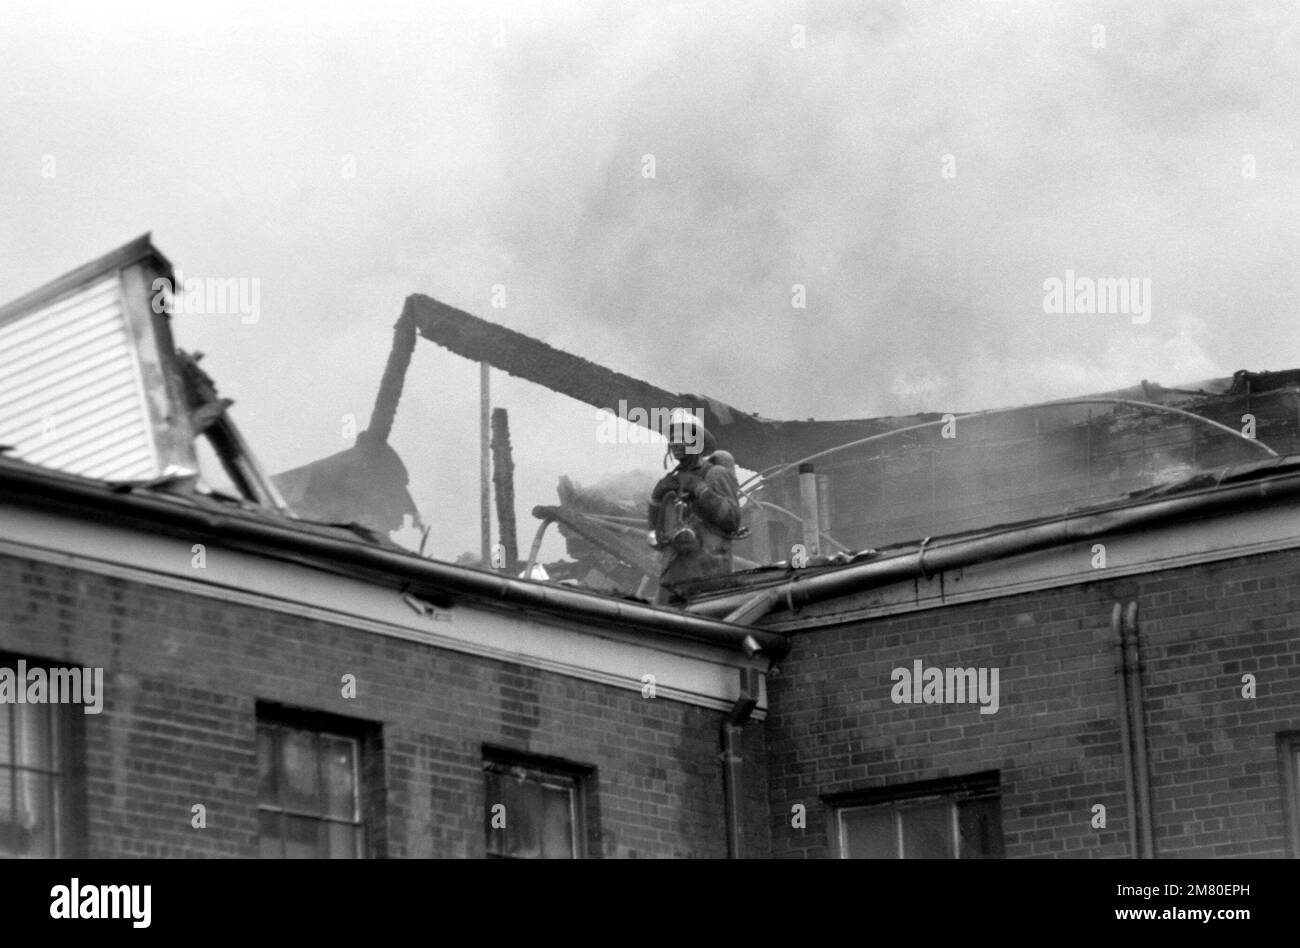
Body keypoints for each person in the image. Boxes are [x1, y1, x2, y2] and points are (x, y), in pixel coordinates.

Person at [647, 412, 741, 605]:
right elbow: (656, 538)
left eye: (682, 437)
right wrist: (655, 501)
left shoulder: (716, 474)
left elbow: (732, 520)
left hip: (709, 580)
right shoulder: (669, 483)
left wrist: (700, 489)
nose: (675, 443)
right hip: (672, 580)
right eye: (672, 438)